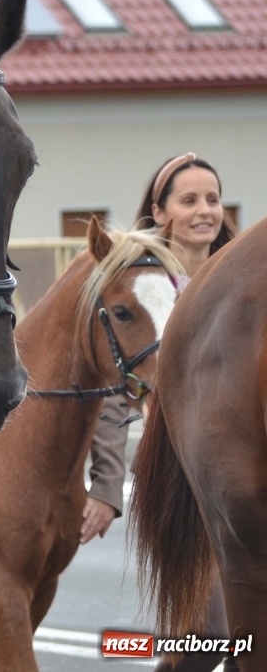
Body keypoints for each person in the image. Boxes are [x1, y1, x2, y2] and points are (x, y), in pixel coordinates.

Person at [80, 152, 233, 544]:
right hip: (177, 477)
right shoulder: (143, 293)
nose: (205, 211)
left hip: (243, 472)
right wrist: (106, 486)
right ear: (158, 211)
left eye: (212, 199)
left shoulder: (244, 284)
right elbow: (116, 390)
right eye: (189, 200)